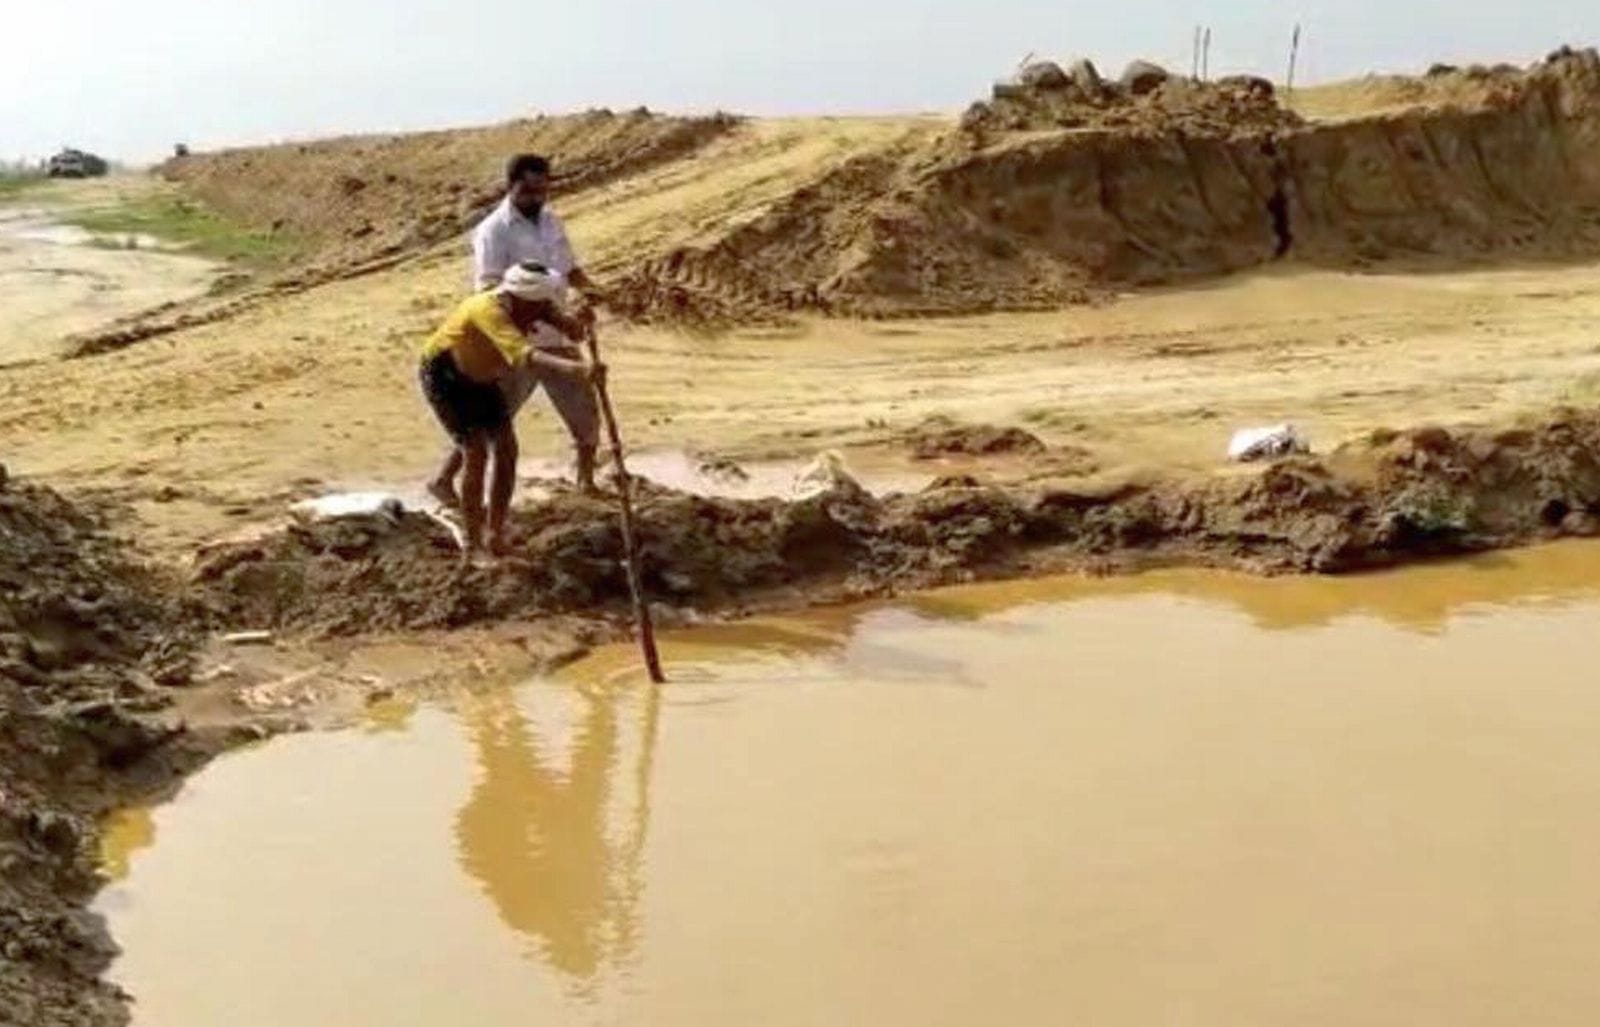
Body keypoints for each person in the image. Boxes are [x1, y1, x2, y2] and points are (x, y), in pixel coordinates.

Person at [429, 154, 608, 502]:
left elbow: (571, 270)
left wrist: (591, 292)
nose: (536, 198)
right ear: (511, 186)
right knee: (489, 417)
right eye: (528, 191)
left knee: (584, 410)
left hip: (557, 334)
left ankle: (585, 481)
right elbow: (488, 289)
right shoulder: (493, 231)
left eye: (543, 191)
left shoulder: (552, 222)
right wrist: (541, 314)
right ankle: (444, 479)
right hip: (514, 341)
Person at [420, 262, 603, 561]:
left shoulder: (534, 305)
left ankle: (495, 533)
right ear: (520, 298)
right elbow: (525, 356)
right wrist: (579, 370)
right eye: (536, 306)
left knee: (506, 450)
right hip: (446, 375)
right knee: (475, 452)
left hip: (484, 378)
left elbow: (570, 329)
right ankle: (473, 541)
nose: (540, 311)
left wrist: (579, 322)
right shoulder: (488, 310)